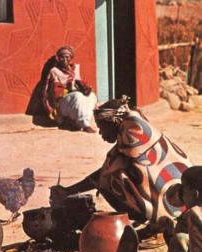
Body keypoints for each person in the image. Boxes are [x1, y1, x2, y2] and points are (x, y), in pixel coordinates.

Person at [50, 95, 193, 236]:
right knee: (116, 174)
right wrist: (69, 190)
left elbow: (103, 173)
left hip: (180, 194)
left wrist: (69, 191)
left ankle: (160, 223)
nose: (100, 133)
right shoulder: (130, 127)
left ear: (115, 121)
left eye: (102, 127)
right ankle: (158, 222)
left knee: (114, 178)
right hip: (178, 188)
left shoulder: (133, 132)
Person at [42, 46, 97, 133]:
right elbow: (54, 91)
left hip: (73, 98)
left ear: (71, 58)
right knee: (77, 96)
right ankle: (85, 125)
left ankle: (81, 121)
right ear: (58, 58)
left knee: (92, 96)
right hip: (61, 102)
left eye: (67, 57)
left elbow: (79, 82)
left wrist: (85, 88)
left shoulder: (74, 68)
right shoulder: (54, 70)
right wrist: (69, 90)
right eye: (62, 57)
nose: (64, 59)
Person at [165, 166, 202, 252]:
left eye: (183, 190)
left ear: (195, 194)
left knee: (179, 239)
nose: (181, 194)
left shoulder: (194, 214)